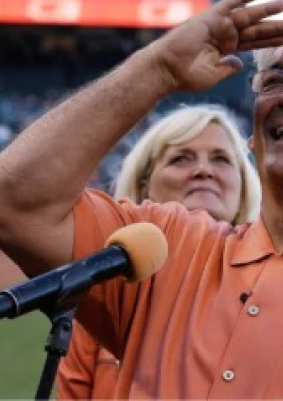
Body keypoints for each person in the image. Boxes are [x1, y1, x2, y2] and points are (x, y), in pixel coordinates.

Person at [0, 0, 283, 398]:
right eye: (274, 80)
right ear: (254, 135)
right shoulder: (165, 250)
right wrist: (160, 67)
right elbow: (9, 200)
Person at [56, 104, 261, 399]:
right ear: (144, 187)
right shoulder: (104, 298)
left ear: (243, 186)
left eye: (221, 159)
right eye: (181, 159)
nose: (204, 170)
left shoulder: (271, 288)